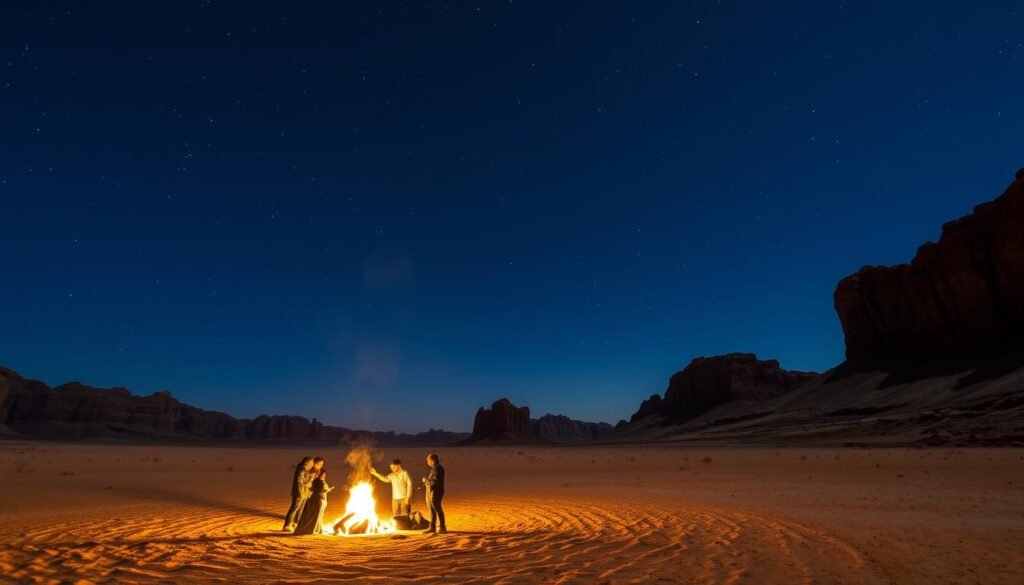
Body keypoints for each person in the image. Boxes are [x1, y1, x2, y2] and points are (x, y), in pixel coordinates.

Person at [293, 468, 333, 535]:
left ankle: (318, 529)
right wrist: (327, 490)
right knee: (315, 516)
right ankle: (312, 529)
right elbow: (319, 491)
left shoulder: (319, 481)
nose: (324, 475)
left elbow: (313, 489)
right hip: (318, 499)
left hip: (321, 500)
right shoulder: (318, 481)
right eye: (323, 474)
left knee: (319, 516)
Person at [282, 457, 314, 531]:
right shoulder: (301, 470)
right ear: (307, 463)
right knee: (295, 508)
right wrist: (299, 493)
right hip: (299, 492)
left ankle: (296, 523)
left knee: (300, 510)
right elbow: (299, 482)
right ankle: (287, 524)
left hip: (305, 492)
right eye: (311, 463)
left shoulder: (307, 471)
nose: (312, 465)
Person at [421, 453, 446, 535]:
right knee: (432, 509)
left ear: (433, 460)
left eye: (428, 460)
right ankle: (432, 527)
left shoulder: (438, 469)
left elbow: (434, 482)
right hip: (432, 492)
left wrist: (426, 480)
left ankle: (442, 527)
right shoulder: (434, 468)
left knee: (437, 508)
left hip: (436, 492)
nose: (427, 462)